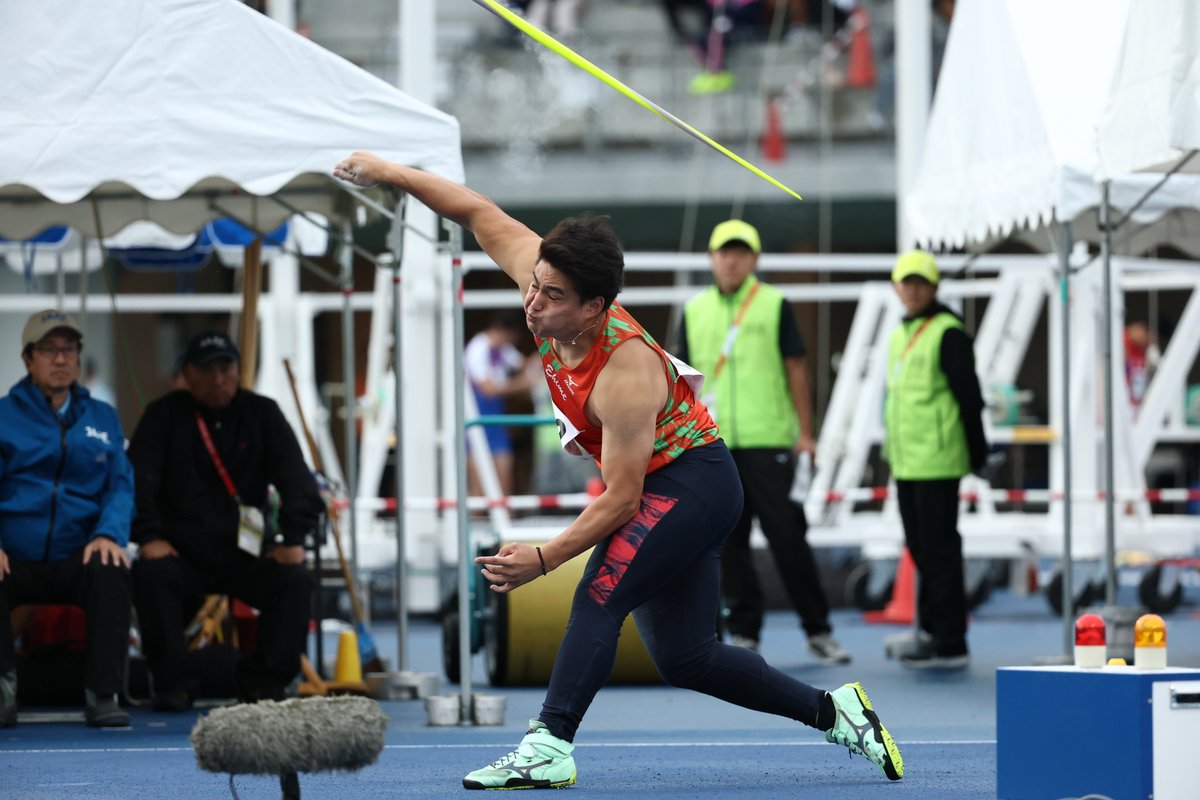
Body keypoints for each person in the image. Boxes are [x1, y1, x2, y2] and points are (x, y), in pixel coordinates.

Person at [333, 151, 903, 789]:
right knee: (688, 658)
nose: (532, 304)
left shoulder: (625, 372)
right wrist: (390, 172)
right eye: (534, 285)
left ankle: (549, 746)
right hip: (678, 484)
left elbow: (622, 500)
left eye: (552, 297)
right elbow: (474, 211)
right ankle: (837, 712)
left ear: (595, 305)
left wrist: (544, 558)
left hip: (691, 483)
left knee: (598, 595)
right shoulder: (543, 278)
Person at [676, 219, 849, 664]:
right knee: (728, 541)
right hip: (713, 443)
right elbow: (680, 382)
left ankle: (819, 630)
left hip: (770, 439)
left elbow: (797, 370)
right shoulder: (694, 310)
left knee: (788, 537)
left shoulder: (774, 304)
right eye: (723, 252)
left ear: (754, 260)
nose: (731, 260)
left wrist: (805, 434)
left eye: (740, 252)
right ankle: (745, 632)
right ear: (712, 259)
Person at [128, 331, 322, 710]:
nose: (217, 378)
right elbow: (136, 483)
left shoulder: (263, 413)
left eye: (225, 368)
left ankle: (264, 683)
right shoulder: (162, 416)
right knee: (150, 574)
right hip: (179, 554)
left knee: (295, 580)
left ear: (238, 371)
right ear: (186, 373)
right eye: (207, 370)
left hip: (246, 554)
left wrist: (293, 539)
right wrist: (147, 535)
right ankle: (173, 684)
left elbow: (298, 480)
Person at [0, 309, 134, 728]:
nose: (61, 359)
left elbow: (120, 485)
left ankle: (103, 693)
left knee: (111, 568)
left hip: (78, 552)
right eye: (49, 350)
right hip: (14, 554)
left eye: (69, 350)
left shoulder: (103, 417)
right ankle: (2, 691)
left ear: (78, 357)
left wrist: (110, 534)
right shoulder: (3, 415)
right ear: (27, 359)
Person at [885, 251, 988, 670]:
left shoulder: (948, 333)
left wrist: (978, 453)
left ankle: (950, 641)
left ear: (934, 287)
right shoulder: (902, 332)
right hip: (908, 461)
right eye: (905, 282)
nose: (912, 289)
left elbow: (970, 399)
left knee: (940, 550)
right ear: (896, 286)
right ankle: (931, 631)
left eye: (920, 283)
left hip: (938, 460)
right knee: (921, 548)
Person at [464, 313, 533, 497]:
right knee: (478, 491)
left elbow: (526, 366)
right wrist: (522, 384)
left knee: (504, 486)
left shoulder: (503, 349)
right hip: (477, 424)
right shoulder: (477, 349)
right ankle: (476, 524)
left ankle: (505, 524)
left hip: (496, 423)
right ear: (502, 332)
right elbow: (488, 390)